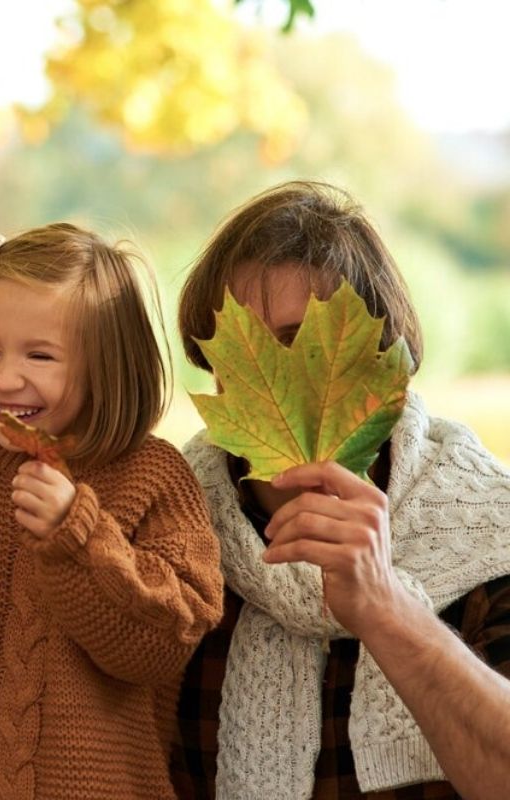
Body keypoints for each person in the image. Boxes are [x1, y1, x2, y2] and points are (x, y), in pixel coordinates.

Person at [0, 224, 224, 798]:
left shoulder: (152, 475)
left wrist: (77, 534)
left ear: (108, 363)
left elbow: (166, 641)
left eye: (41, 355)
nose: (5, 378)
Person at [172, 180, 510, 799]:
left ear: (385, 361)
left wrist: (387, 607)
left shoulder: (490, 527)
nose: (275, 380)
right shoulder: (168, 530)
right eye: (245, 349)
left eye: (305, 343)